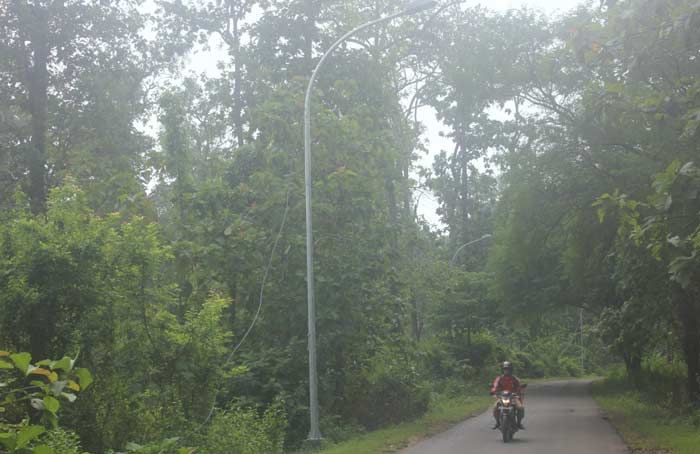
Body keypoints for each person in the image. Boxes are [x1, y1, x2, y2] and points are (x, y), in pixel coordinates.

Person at [490, 361, 525, 430]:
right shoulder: (499, 378)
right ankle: (497, 422)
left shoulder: (515, 378)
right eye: (505, 369)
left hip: (513, 397)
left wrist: (519, 392)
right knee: (495, 408)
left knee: (520, 408)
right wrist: (493, 391)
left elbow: (519, 387)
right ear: (502, 370)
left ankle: (519, 423)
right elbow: (495, 386)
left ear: (511, 370)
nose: (506, 371)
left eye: (508, 369)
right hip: (502, 397)